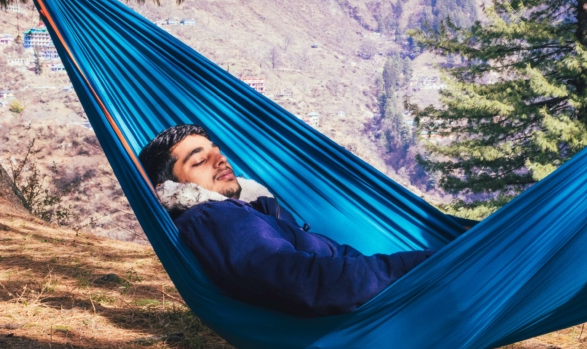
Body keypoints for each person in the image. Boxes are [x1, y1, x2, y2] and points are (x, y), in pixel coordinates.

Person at [138, 124, 434, 317]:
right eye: (200, 160)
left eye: (218, 152)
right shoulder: (214, 217)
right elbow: (302, 280)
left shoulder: (248, 208)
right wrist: (424, 265)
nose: (221, 160)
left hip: (377, 295)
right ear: (173, 185)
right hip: (366, 308)